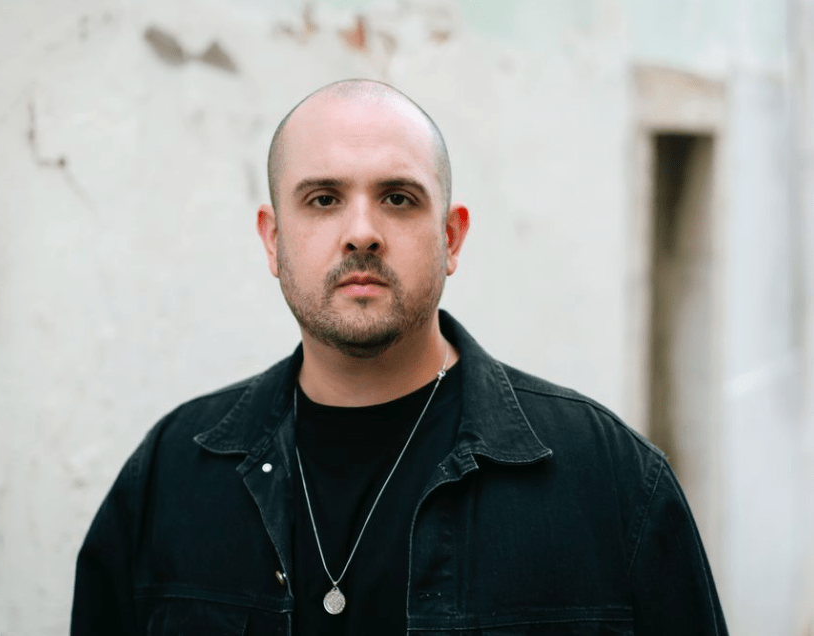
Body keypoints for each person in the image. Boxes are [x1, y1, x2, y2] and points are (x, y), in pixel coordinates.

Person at [71, 79, 729, 636]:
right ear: (273, 240)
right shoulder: (171, 477)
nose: (361, 232)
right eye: (323, 199)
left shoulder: (610, 482)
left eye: (397, 198)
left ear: (450, 238)